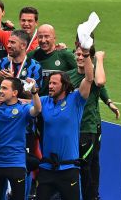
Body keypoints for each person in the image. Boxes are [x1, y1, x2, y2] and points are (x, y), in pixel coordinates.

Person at [37, 63, 95, 199]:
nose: (50, 86)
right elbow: (24, 103)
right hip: (47, 168)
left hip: (68, 169)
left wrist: (86, 55)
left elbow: (88, 79)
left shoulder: (76, 100)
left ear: (64, 85)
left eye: (54, 83)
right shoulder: (44, 101)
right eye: (49, 83)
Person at [0, 77, 41, 200]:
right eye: (0, 87)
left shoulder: (23, 109)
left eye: (5, 88)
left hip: (16, 162)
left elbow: (37, 110)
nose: (0, 91)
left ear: (14, 93)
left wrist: (34, 92)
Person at [68, 47, 107, 200]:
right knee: (71, 166)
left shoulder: (94, 75)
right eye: (77, 54)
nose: (80, 57)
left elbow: (100, 82)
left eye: (83, 55)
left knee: (87, 166)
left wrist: (100, 59)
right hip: (70, 129)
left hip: (87, 128)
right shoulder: (69, 76)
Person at [28, 24, 77, 93]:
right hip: (38, 101)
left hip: (58, 102)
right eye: (40, 37)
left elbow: (79, 73)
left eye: (46, 36)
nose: (43, 40)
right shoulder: (31, 56)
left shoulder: (65, 55)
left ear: (54, 38)